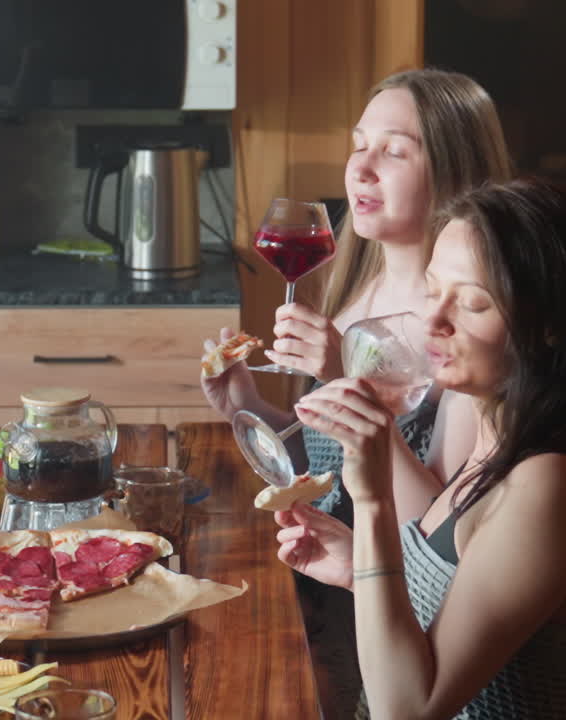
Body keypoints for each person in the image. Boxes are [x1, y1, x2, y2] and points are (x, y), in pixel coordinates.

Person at [202, 68, 516, 718]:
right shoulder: (353, 284)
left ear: (455, 171)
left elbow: (443, 534)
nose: (362, 168)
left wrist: (344, 376)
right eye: (359, 143)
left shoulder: (465, 338)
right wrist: (249, 408)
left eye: (395, 150)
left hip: (395, 618)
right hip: (324, 584)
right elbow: (326, 454)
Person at [282, 176, 566, 717]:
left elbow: (410, 709)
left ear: (552, 326)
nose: (432, 321)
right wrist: (356, 569)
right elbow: (450, 602)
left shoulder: (554, 484)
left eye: (471, 303)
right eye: (432, 290)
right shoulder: (497, 447)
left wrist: (372, 502)